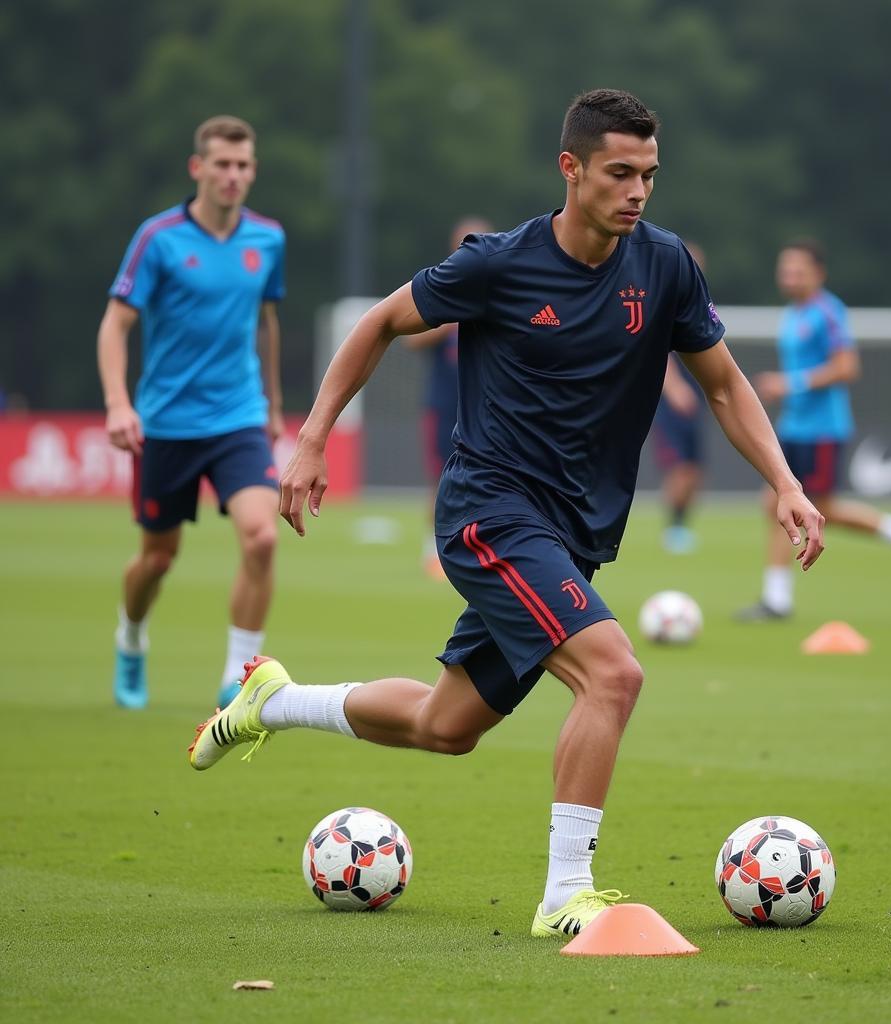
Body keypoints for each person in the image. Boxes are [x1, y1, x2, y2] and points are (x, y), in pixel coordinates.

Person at [188, 90, 824, 938]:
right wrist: (309, 441)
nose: (638, 192)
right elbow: (378, 322)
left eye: (650, 175)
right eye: (620, 173)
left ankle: (273, 700)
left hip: (574, 537)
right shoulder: (498, 264)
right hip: (489, 514)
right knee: (615, 673)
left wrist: (782, 480)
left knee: (445, 726)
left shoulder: (666, 266)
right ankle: (567, 891)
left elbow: (721, 382)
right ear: (572, 169)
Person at [98, 115, 286, 710]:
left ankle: (238, 676)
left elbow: (267, 322)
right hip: (168, 424)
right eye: (222, 164)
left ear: (253, 171)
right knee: (157, 559)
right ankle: (130, 639)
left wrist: (274, 406)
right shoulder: (159, 238)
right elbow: (116, 323)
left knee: (261, 539)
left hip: (238, 418)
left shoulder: (268, 240)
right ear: (198, 168)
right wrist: (118, 404)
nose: (233, 175)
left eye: (243, 165)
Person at [736, 239, 891, 621]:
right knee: (776, 504)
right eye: (785, 270)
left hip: (823, 430)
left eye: (798, 271)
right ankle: (776, 599)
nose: (790, 278)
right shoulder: (793, 314)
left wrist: (791, 384)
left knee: (822, 510)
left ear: (818, 273)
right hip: (793, 427)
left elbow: (847, 367)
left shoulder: (829, 312)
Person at [403, 217, 494, 578]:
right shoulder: (443, 290)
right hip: (445, 404)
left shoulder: (504, 293)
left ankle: (487, 547)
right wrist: (454, 319)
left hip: (489, 407)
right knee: (441, 480)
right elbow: (410, 337)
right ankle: (434, 549)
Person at [651, 241, 707, 553]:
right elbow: (660, 350)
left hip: (693, 397)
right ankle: (673, 528)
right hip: (673, 400)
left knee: (695, 468)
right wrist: (673, 387)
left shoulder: (695, 303)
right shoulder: (663, 302)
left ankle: (681, 526)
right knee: (681, 467)